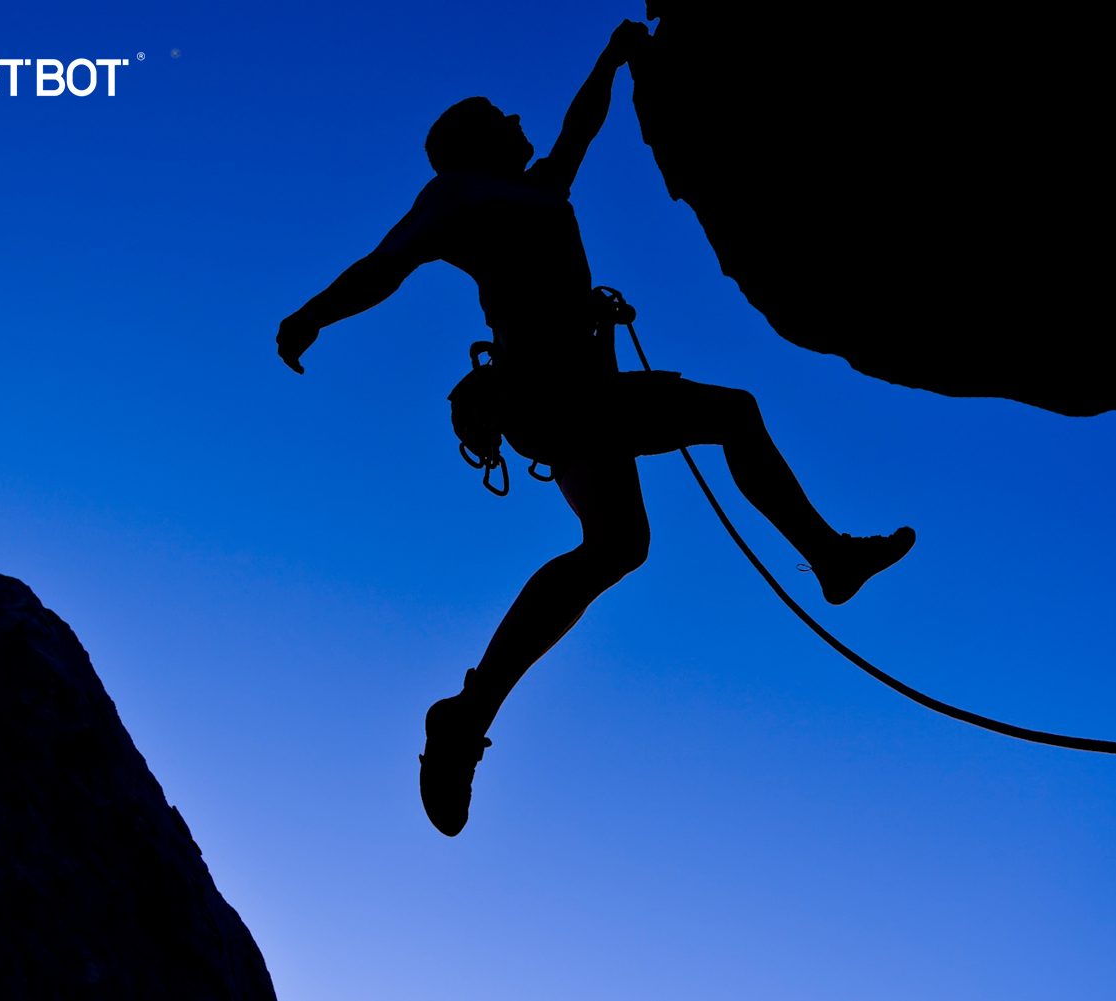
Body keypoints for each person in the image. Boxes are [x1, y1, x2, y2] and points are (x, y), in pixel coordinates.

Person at [276, 20, 914, 836]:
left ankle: (465, 714)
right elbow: (384, 264)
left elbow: (580, 127)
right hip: (552, 390)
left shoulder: (540, 189)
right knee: (731, 415)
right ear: (473, 141)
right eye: (499, 116)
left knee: (618, 544)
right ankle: (828, 557)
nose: (517, 119)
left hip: (572, 389)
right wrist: (313, 317)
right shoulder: (459, 194)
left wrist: (611, 60)